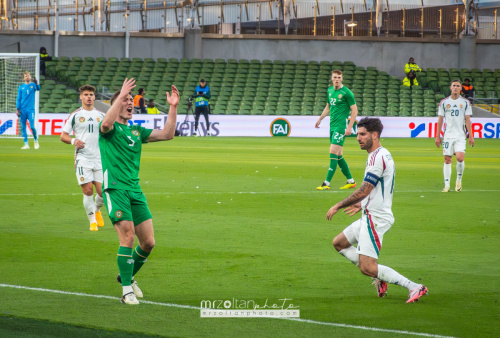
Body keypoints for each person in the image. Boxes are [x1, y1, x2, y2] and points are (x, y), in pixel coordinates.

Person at [326, 117, 428, 303]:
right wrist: (362, 204)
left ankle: (414, 286)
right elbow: (373, 189)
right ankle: (379, 278)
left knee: (367, 267)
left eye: (362, 134)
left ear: (374, 135)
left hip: (376, 218)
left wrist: (339, 205)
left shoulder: (377, 157)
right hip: (369, 213)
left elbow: (364, 188)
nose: (358, 138)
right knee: (339, 243)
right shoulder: (380, 154)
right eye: (357, 134)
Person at [99, 78, 179, 305]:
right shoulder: (109, 129)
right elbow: (105, 124)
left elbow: (167, 134)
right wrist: (121, 93)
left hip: (135, 190)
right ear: (115, 105)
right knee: (127, 237)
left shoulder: (136, 130)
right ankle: (126, 291)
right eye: (125, 99)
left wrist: (173, 107)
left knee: (148, 243)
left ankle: (127, 275)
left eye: (131, 99)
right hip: (115, 188)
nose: (130, 102)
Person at [61, 85, 106, 232]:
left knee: (103, 192)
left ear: (94, 97)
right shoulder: (75, 115)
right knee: (88, 191)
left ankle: (97, 210)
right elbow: (63, 136)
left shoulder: (102, 115)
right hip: (83, 158)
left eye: (91, 94)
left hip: (99, 159)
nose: (88, 97)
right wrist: (74, 141)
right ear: (81, 97)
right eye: (86, 94)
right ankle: (92, 221)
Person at [315, 70, 358, 190]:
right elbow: (328, 107)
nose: (337, 79)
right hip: (332, 126)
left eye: (339, 77)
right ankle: (351, 181)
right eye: (335, 77)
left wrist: (349, 127)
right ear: (331, 78)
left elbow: (354, 110)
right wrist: (320, 119)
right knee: (338, 156)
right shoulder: (329, 91)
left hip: (341, 127)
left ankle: (326, 183)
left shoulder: (347, 93)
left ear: (342, 79)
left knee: (333, 152)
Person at [435, 80, 474, 192]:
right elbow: (440, 120)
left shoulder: (465, 102)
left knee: (460, 158)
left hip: (460, 135)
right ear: (450, 87)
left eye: (458, 86)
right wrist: (438, 136)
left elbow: (467, 120)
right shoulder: (444, 102)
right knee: (447, 160)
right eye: (454, 85)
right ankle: (447, 185)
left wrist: (470, 136)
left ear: (461, 88)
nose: (455, 87)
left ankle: (458, 179)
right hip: (447, 135)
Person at [16, 71, 40, 150]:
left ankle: (36, 141)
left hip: (30, 110)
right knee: (23, 128)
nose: (27, 77)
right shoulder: (21, 87)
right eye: (25, 76)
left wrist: (36, 84)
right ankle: (26, 144)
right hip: (22, 110)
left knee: (32, 126)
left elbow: (38, 89)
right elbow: (18, 98)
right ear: (24, 78)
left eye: (28, 75)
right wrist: (17, 109)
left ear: (30, 76)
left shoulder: (33, 85)